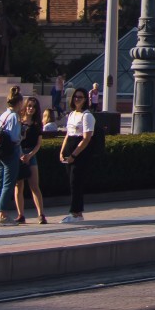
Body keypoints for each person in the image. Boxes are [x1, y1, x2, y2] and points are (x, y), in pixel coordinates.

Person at [58, 87, 95, 223]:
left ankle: (76, 213)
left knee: (76, 182)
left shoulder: (87, 116)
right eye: (75, 97)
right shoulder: (72, 114)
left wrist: (74, 154)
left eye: (80, 97)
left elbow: (86, 138)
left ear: (85, 100)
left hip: (80, 152)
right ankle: (75, 211)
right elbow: (68, 135)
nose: (77, 99)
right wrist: (62, 151)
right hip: (70, 148)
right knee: (71, 182)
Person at [0, 97, 22, 227]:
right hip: (10, 151)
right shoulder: (14, 116)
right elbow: (14, 137)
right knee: (8, 184)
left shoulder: (3, 115)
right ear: (19, 103)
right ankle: (3, 215)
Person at [16, 97, 47, 225]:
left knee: (34, 186)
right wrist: (20, 154)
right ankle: (20, 215)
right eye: (29, 106)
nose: (30, 108)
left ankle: (41, 214)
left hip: (31, 154)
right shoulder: (19, 122)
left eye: (33, 107)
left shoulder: (37, 124)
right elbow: (15, 140)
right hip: (19, 154)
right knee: (18, 186)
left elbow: (38, 144)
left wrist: (29, 155)